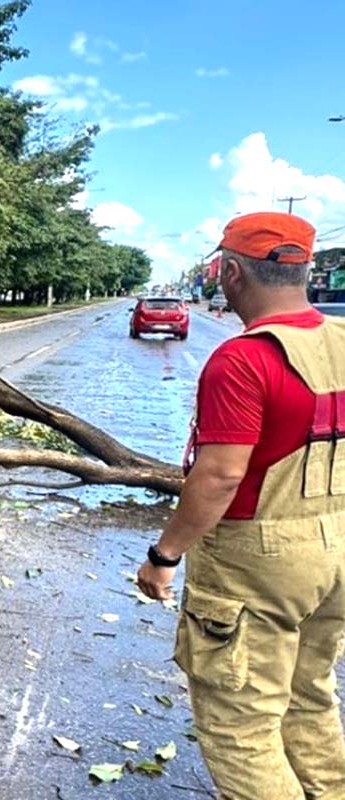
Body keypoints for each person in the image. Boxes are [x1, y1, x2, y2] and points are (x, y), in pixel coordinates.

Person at [137, 212, 345, 799]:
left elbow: (221, 476)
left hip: (260, 562)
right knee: (309, 697)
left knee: (241, 727)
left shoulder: (243, 360)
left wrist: (165, 554)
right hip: (336, 551)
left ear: (229, 273)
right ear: (306, 269)